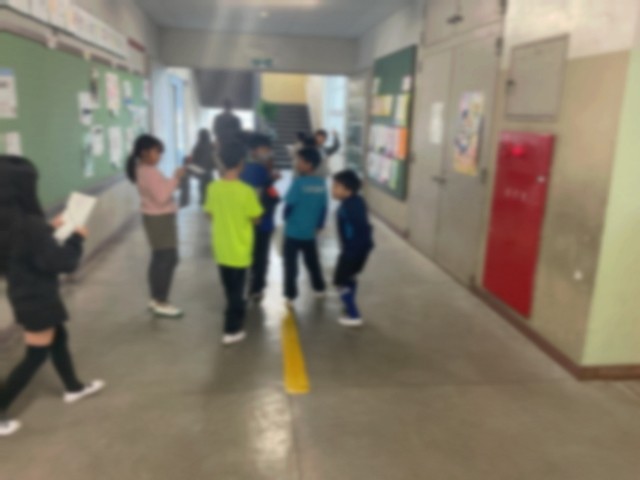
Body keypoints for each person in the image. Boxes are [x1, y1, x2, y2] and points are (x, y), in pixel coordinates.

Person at [0, 156, 105, 437]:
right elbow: (63, 262)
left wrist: (49, 228)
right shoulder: (29, 225)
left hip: (24, 294)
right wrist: (77, 237)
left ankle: (73, 387)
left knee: (59, 337)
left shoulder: (10, 222)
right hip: (38, 299)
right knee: (35, 355)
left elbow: (28, 249)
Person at [204, 141, 263, 345]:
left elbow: (209, 214)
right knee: (238, 292)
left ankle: (232, 312)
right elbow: (256, 218)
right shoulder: (246, 191)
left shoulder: (213, 187)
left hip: (221, 248)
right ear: (241, 164)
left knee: (229, 288)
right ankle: (232, 330)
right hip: (240, 249)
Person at [126, 135, 185, 318]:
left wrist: (171, 182)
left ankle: (156, 298)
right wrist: (175, 178)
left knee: (160, 258)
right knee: (168, 258)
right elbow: (161, 197)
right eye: (156, 152)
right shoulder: (149, 171)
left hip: (154, 217)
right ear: (144, 152)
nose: (159, 156)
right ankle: (161, 301)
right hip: (159, 219)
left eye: (160, 153)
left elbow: (159, 191)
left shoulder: (143, 169)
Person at [283, 147, 328, 305]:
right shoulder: (322, 184)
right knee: (313, 262)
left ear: (309, 165)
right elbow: (323, 208)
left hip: (293, 232)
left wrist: (285, 217)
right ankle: (319, 288)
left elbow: (289, 206)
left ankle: (290, 295)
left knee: (290, 265)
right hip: (309, 233)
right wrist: (319, 224)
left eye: (300, 161)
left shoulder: (298, 183)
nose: (297, 163)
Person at [240, 133, 281, 303]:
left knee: (248, 255)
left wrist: (270, 179)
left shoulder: (246, 168)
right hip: (262, 221)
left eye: (269, 149)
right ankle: (257, 288)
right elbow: (267, 196)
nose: (268, 152)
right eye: (265, 149)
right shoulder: (256, 169)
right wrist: (270, 182)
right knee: (261, 256)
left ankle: (247, 286)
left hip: (246, 222)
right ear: (254, 151)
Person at [331, 170, 374, 327]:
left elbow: (356, 229)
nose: (332, 189)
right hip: (363, 248)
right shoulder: (359, 200)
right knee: (350, 277)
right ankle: (348, 306)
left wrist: (350, 250)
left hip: (352, 250)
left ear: (347, 189)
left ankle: (354, 314)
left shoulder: (346, 207)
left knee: (339, 282)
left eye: (336, 186)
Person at [190, 129, 216, 205]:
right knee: (210, 184)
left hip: (200, 169)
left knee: (202, 185)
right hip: (209, 169)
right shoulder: (211, 146)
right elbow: (215, 156)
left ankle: (203, 200)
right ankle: (211, 200)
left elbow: (194, 159)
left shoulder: (197, 146)